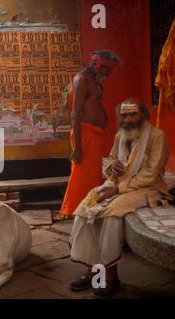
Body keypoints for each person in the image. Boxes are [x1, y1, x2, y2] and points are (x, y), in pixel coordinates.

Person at [69, 98, 173, 298]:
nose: (128, 119)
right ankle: (93, 270)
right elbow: (112, 160)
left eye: (133, 114)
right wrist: (112, 167)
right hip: (117, 183)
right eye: (124, 115)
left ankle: (110, 275)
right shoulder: (120, 136)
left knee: (111, 214)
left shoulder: (157, 136)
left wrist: (117, 190)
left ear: (142, 114)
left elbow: (150, 175)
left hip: (148, 189)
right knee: (86, 206)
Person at [60, 50, 122, 218]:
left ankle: (87, 208)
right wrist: (78, 147)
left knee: (92, 175)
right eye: (108, 70)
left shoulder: (93, 80)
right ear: (100, 65)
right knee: (81, 176)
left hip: (94, 134)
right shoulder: (82, 79)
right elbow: (75, 113)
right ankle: (74, 211)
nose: (109, 74)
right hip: (84, 135)